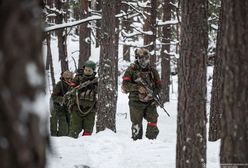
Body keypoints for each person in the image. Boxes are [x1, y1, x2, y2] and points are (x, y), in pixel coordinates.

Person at [122, 48, 162, 140]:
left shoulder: (152, 70)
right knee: (136, 124)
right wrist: (137, 88)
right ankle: (136, 143)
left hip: (150, 101)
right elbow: (125, 85)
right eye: (143, 58)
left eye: (147, 58)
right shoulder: (131, 69)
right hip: (135, 101)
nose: (145, 60)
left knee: (153, 119)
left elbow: (159, 85)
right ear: (138, 58)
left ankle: (151, 142)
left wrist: (154, 92)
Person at [68, 60, 98, 138]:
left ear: (93, 71)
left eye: (89, 70)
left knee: (88, 131)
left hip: (90, 110)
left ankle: (86, 147)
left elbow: (100, 92)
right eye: (86, 70)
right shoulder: (78, 78)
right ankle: (70, 146)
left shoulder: (96, 80)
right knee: (74, 130)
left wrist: (94, 87)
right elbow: (71, 90)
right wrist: (80, 88)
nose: (87, 72)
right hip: (77, 108)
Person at [50, 70, 74, 136]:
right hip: (57, 107)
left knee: (70, 123)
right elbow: (53, 97)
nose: (69, 80)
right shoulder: (59, 85)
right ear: (64, 78)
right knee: (63, 126)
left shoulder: (73, 85)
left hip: (67, 107)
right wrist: (62, 99)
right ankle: (57, 136)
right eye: (67, 78)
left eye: (70, 78)